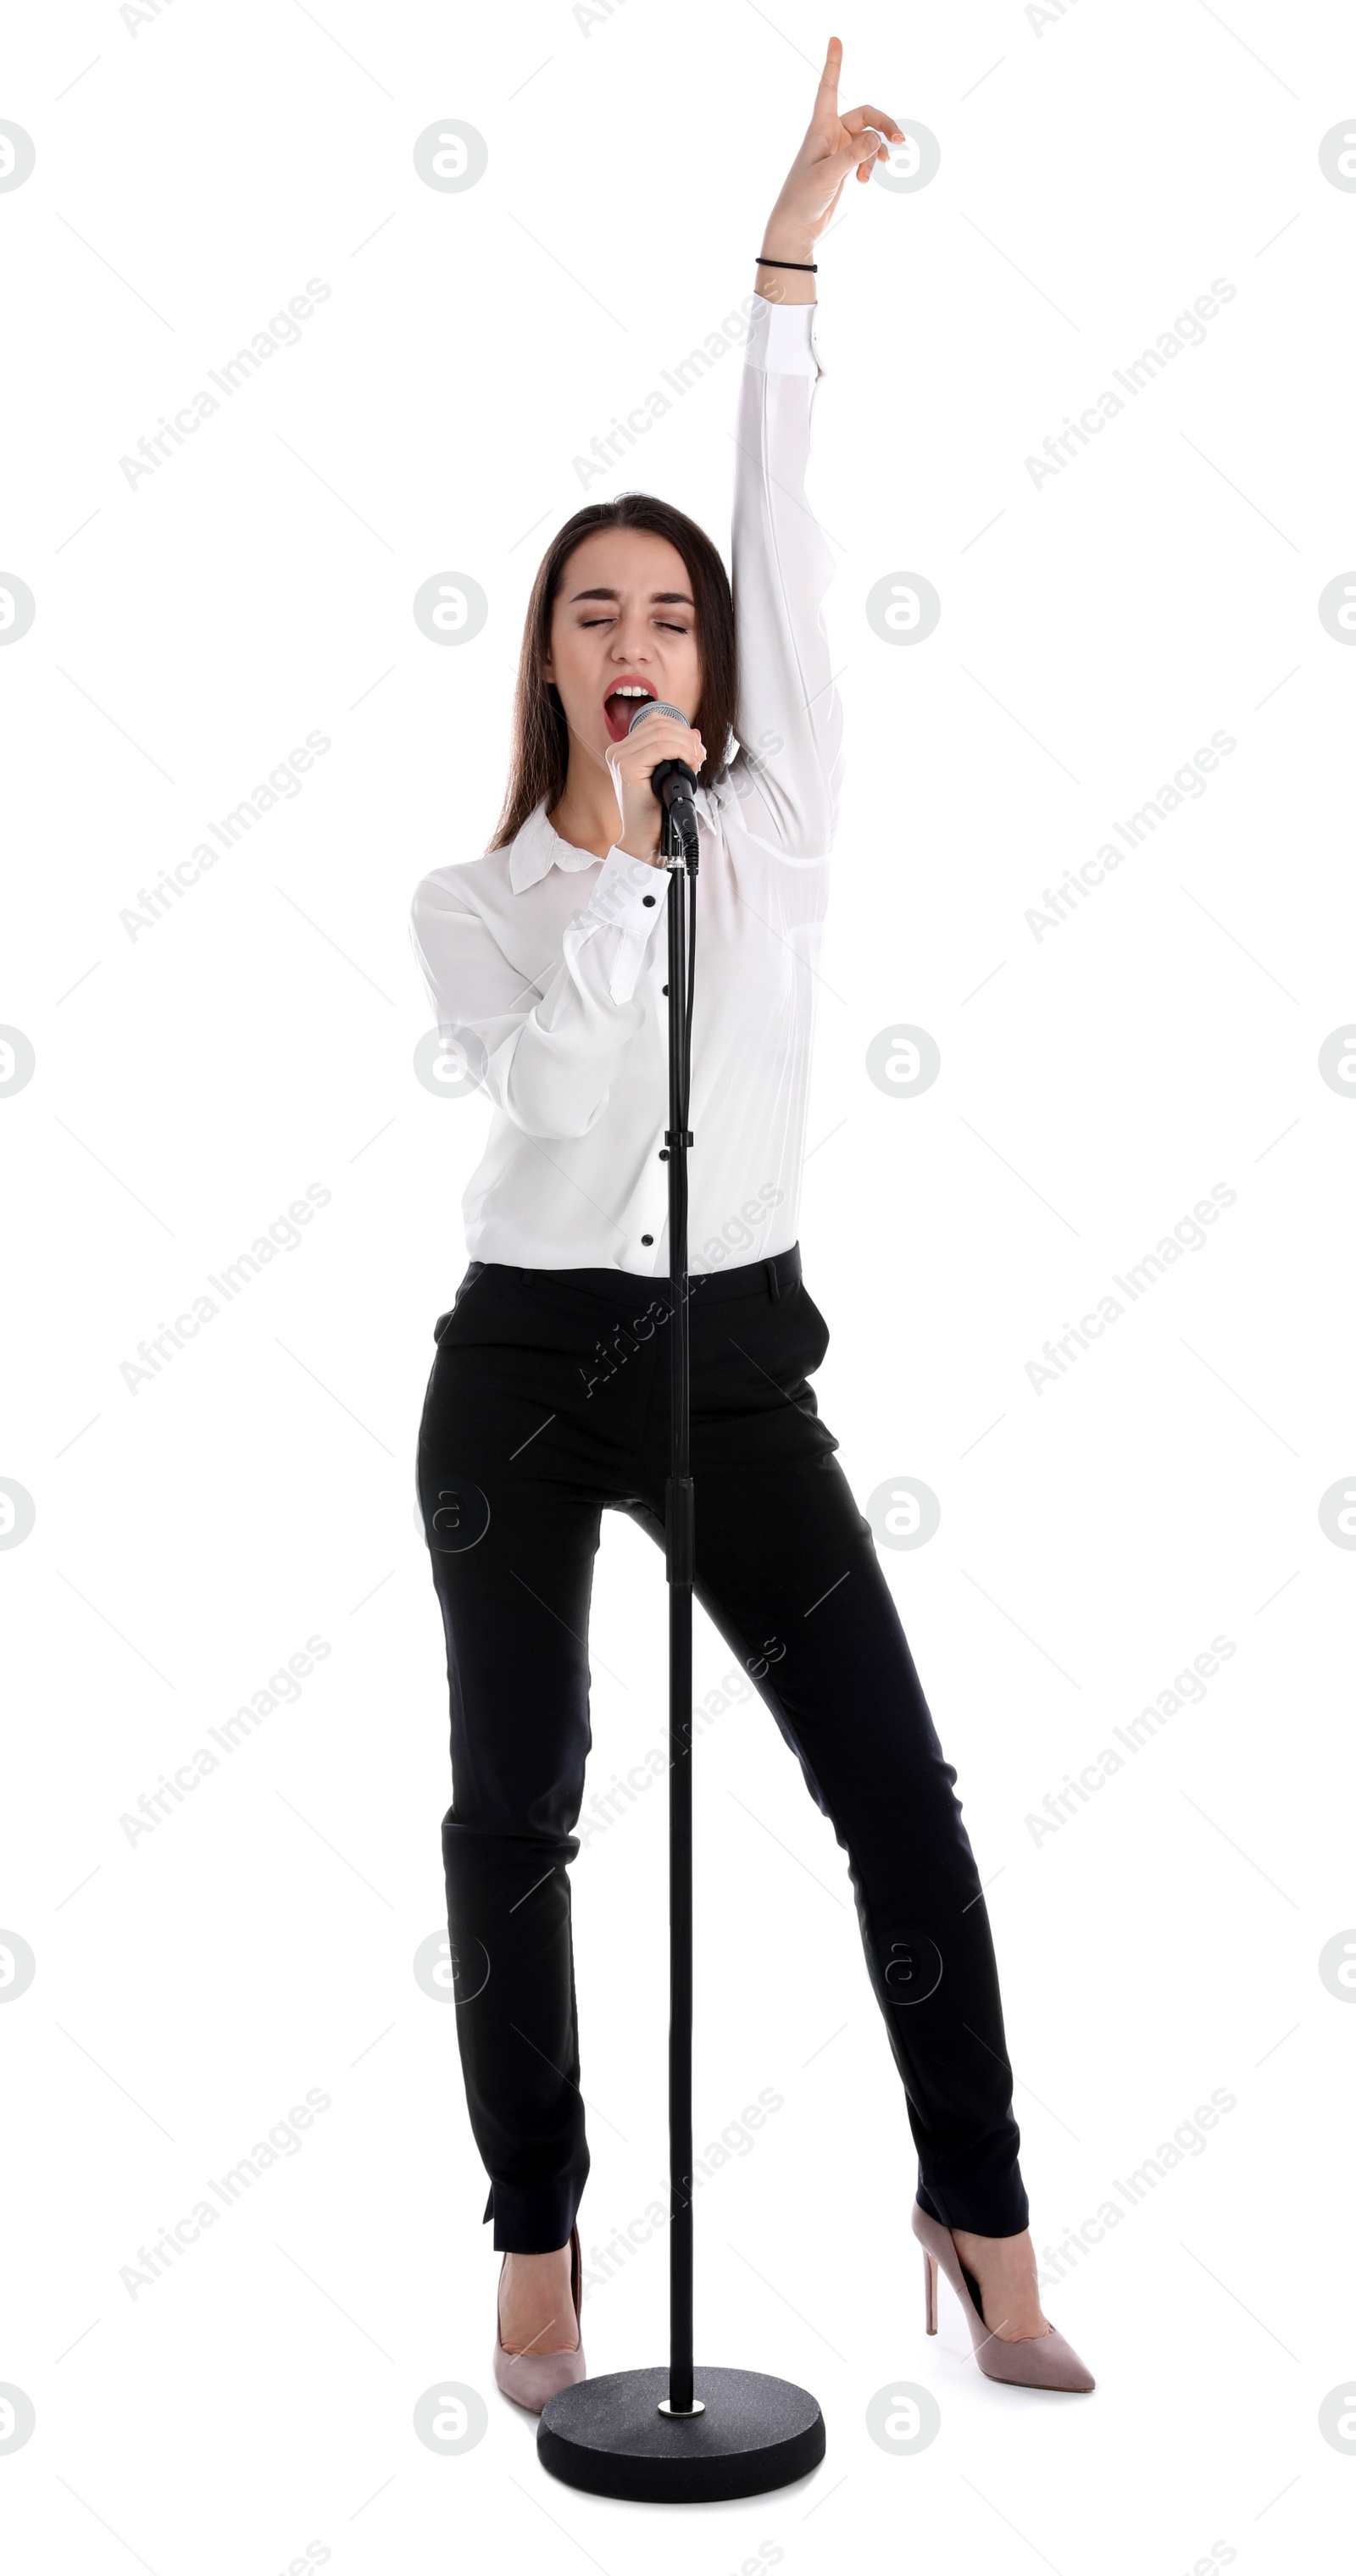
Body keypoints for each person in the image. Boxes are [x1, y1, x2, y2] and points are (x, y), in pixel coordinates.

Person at [409, 36, 1095, 2408]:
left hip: (741, 1349)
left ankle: (977, 2202)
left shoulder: (777, 823)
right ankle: (536, 2234)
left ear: (713, 659)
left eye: (672, 624)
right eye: (599, 618)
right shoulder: (482, 903)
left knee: (891, 1786)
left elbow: (781, 520)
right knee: (523, 1802)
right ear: (553, 661)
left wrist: (788, 260)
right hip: (521, 1357)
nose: (644, 646)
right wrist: (613, 846)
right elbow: (574, 1091)